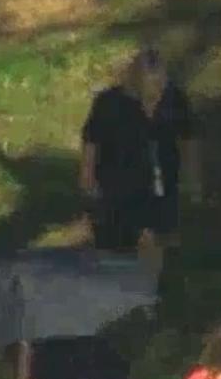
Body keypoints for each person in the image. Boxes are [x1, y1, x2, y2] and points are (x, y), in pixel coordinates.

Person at [79, 46, 202, 257]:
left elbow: (188, 139)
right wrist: (87, 176)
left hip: (162, 180)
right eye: (151, 86)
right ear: (135, 82)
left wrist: (193, 177)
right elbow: (91, 141)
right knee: (116, 243)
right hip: (119, 182)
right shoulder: (109, 103)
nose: (157, 92)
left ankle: (153, 279)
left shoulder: (175, 100)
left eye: (161, 84)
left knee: (160, 239)